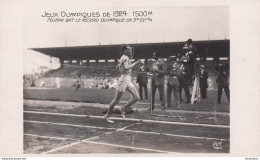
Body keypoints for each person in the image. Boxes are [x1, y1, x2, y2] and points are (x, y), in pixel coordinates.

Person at [104, 45, 142, 123]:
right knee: (116, 100)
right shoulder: (124, 57)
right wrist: (136, 63)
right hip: (123, 80)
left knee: (137, 97)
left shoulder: (125, 58)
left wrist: (120, 65)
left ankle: (123, 108)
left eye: (131, 50)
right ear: (124, 50)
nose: (131, 51)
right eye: (129, 50)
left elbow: (121, 67)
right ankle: (107, 115)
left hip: (128, 80)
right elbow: (127, 67)